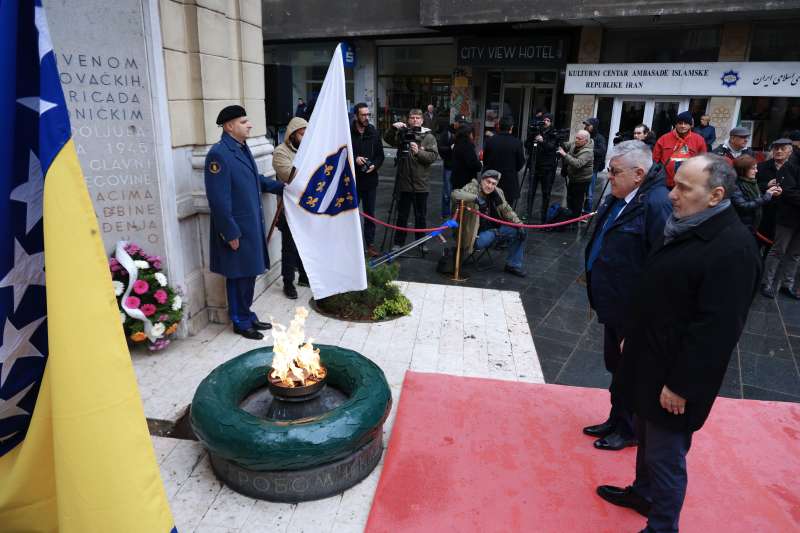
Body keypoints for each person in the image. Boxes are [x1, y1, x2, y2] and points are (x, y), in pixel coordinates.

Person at [597, 154, 761, 533]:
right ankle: (643, 494)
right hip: (648, 358)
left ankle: (662, 527)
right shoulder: (685, 225)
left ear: (715, 195)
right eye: (674, 184)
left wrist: (682, 385)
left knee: (665, 455)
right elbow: (657, 290)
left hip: (676, 377)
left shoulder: (733, 248)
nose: (672, 195)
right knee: (645, 438)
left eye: (684, 188)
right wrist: (632, 336)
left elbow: (717, 330)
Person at [583, 140, 672, 452]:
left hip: (633, 309)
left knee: (631, 371)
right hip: (613, 301)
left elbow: (661, 267)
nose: (609, 176)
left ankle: (629, 428)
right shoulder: (621, 197)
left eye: (614, 171)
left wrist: (641, 321)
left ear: (638, 174)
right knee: (617, 367)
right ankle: (616, 418)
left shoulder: (656, 205)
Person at [204, 105, 285, 339]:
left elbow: (253, 179)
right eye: (243, 122)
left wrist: (281, 187)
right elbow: (218, 200)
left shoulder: (240, 147)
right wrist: (230, 233)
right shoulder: (219, 154)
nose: (249, 125)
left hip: (250, 226)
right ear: (229, 126)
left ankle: (247, 314)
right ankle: (239, 321)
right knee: (237, 275)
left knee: (248, 274)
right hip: (236, 229)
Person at [451, 169, 527, 277]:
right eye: (488, 182)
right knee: (493, 233)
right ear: (482, 180)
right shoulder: (472, 188)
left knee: (518, 232)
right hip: (475, 236)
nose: (490, 186)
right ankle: (496, 234)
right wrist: (475, 198)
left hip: (494, 230)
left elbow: (507, 210)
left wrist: (519, 225)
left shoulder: (498, 192)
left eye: (493, 184)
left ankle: (513, 265)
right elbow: (455, 194)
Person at [384, 108, 439, 249]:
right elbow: (388, 140)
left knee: (420, 216)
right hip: (403, 183)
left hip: (421, 184)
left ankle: (421, 243)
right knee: (402, 216)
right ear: (408, 119)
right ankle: (398, 243)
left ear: (422, 120)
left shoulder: (428, 137)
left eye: (417, 118)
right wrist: (393, 128)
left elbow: (433, 157)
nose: (415, 120)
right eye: (412, 118)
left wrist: (419, 152)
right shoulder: (403, 133)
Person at [272, 117, 310, 300]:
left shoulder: (309, 150)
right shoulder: (280, 152)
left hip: (307, 206)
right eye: (302, 134)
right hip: (288, 208)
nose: (305, 138)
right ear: (292, 134)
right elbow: (289, 176)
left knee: (306, 244)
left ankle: (304, 276)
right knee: (289, 247)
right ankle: (288, 282)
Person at [760, 138, 800, 299]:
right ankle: (766, 283)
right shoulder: (790, 167)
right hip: (787, 217)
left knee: (795, 254)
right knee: (778, 251)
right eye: (777, 148)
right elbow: (788, 191)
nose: (779, 151)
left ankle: (787, 284)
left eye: (783, 148)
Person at [350, 102, 385, 258]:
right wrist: (354, 159)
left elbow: (380, 155)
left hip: (370, 180)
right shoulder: (348, 132)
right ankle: (351, 245)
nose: (366, 117)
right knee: (351, 214)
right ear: (356, 116)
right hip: (353, 181)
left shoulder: (373, 132)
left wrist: (374, 166)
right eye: (363, 115)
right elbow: (342, 153)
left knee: (370, 214)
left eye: (368, 114)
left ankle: (370, 245)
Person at [653, 111, 707, 188]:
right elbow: (655, 160)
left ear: (690, 125)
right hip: (664, 182)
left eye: (686, 123)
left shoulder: (699, 140)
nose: (683, 126)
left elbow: (703, 162)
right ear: (676, 124)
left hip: (687, 183)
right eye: (680, 123)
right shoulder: (664, 138)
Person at [731, 155, 781, 236]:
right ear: (743, 170)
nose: (756, 171)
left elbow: (758, 199)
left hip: (753, 225)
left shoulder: (752, 182)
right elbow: (743, 206)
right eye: (753, 168)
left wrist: (771, 193)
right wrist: (766, 197)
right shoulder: (735, 186)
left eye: (756, 168)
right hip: (742, 227)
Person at [483, 115, 525, 206]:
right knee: (507, 209)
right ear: (511, 128)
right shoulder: (517, 143)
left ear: (499, 126)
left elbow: (485, 161)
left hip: (492, 180)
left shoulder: (491, 141)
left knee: (492, 208)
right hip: (509, 182)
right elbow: (521, 163)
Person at [527, 113, 559, 222]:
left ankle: (543, 216)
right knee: (531, 191)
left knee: (546, 193)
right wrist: (532, 137)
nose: (545, 122)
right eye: (544, 120)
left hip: (547, 168)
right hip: (535, 166)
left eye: (548, 120)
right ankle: (528, 213)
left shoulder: (554, 133)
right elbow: (527, 145)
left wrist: (542, 141)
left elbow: (552, 147)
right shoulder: (537, 131)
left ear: (551, 122)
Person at [557, 130, 594, 217]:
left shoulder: (588, 151)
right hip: (573, 178)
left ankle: (574, 221)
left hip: (582, 180)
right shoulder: (576, 144)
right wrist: (559, 141)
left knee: (577, 202)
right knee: (569, 199)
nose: (576, 140)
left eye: (579, 139)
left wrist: (564, 154)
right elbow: (567, 145)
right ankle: (569, 218)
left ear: (586, 141)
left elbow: (577, 164)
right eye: (576, 138)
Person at [583, 117, 608, 205]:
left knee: (589, 193)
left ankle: (587, 210)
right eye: (586, 125)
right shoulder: (584, 135)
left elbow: (602, 151)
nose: (586, 126)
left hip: (592, 168)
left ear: (594, 126)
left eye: (588, 125)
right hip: (581, 166)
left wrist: (588, 150)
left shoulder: (600, 138)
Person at [450, 124, 482, 191]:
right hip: (466, 182)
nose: (473, 135)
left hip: (457, 179)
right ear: (468, 134)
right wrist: (480, 164)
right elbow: (472, 163)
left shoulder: (457, 143)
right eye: (472, 133)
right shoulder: (467, 145)